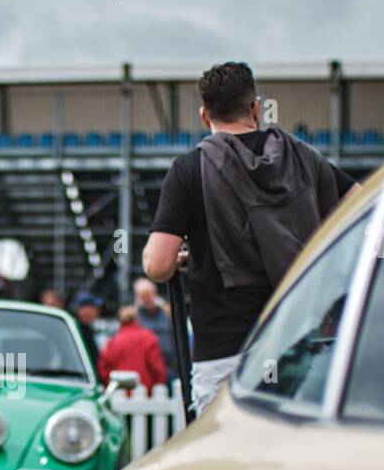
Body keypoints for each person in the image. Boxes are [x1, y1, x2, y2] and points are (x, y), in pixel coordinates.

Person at [142, 62, 358, 415]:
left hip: (225, 354)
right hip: (298, 345)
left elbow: (157, 264)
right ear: (256, 107)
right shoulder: (302, 156)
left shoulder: (188, 170)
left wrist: (188, 254)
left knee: (225, 464)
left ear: (204, 115)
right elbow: (366, 206)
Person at [98, 305, 167, 393]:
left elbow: (104, 369)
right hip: (146, 392)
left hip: (120, 391)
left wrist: (110, 384)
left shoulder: (112, 342)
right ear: (137, 319)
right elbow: (157, 368)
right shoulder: (149, 337)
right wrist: (159, 385)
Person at [133, 277, 178, 370]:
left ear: (155, 294)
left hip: (171, 366)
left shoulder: (167, 312)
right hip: (148, 369)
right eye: (143, 296)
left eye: (148, 295)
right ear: (137, 297)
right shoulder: (135, 316)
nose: (147, 299)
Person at [71, 291, 103, 365]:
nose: (98, 311)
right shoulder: (74, 330)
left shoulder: (86, 328)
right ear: (84, 309)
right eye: (95, 307)